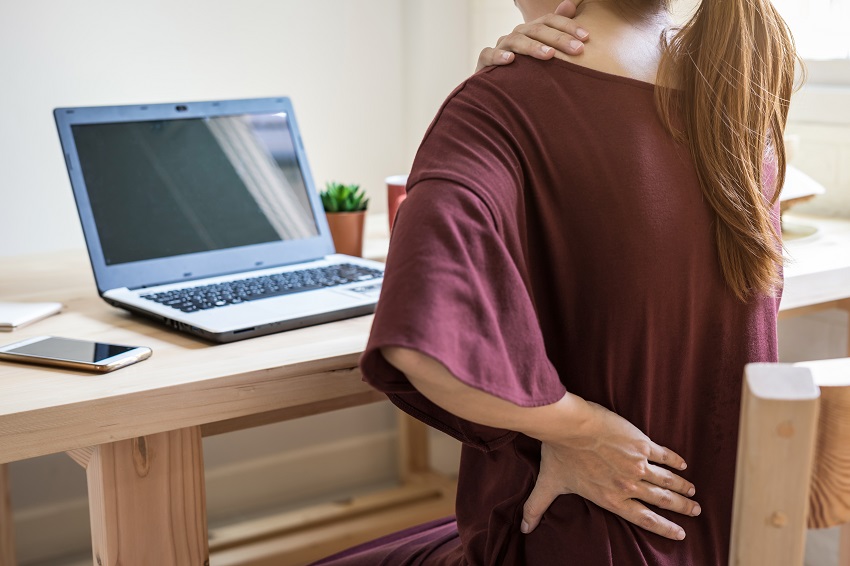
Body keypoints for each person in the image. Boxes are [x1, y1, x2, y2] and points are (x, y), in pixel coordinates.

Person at [312, 0, 797, 563]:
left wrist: (580, 429)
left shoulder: (504, 104)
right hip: (730, 546)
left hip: (585, 543)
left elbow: (425, 352)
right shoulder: (738, 93)